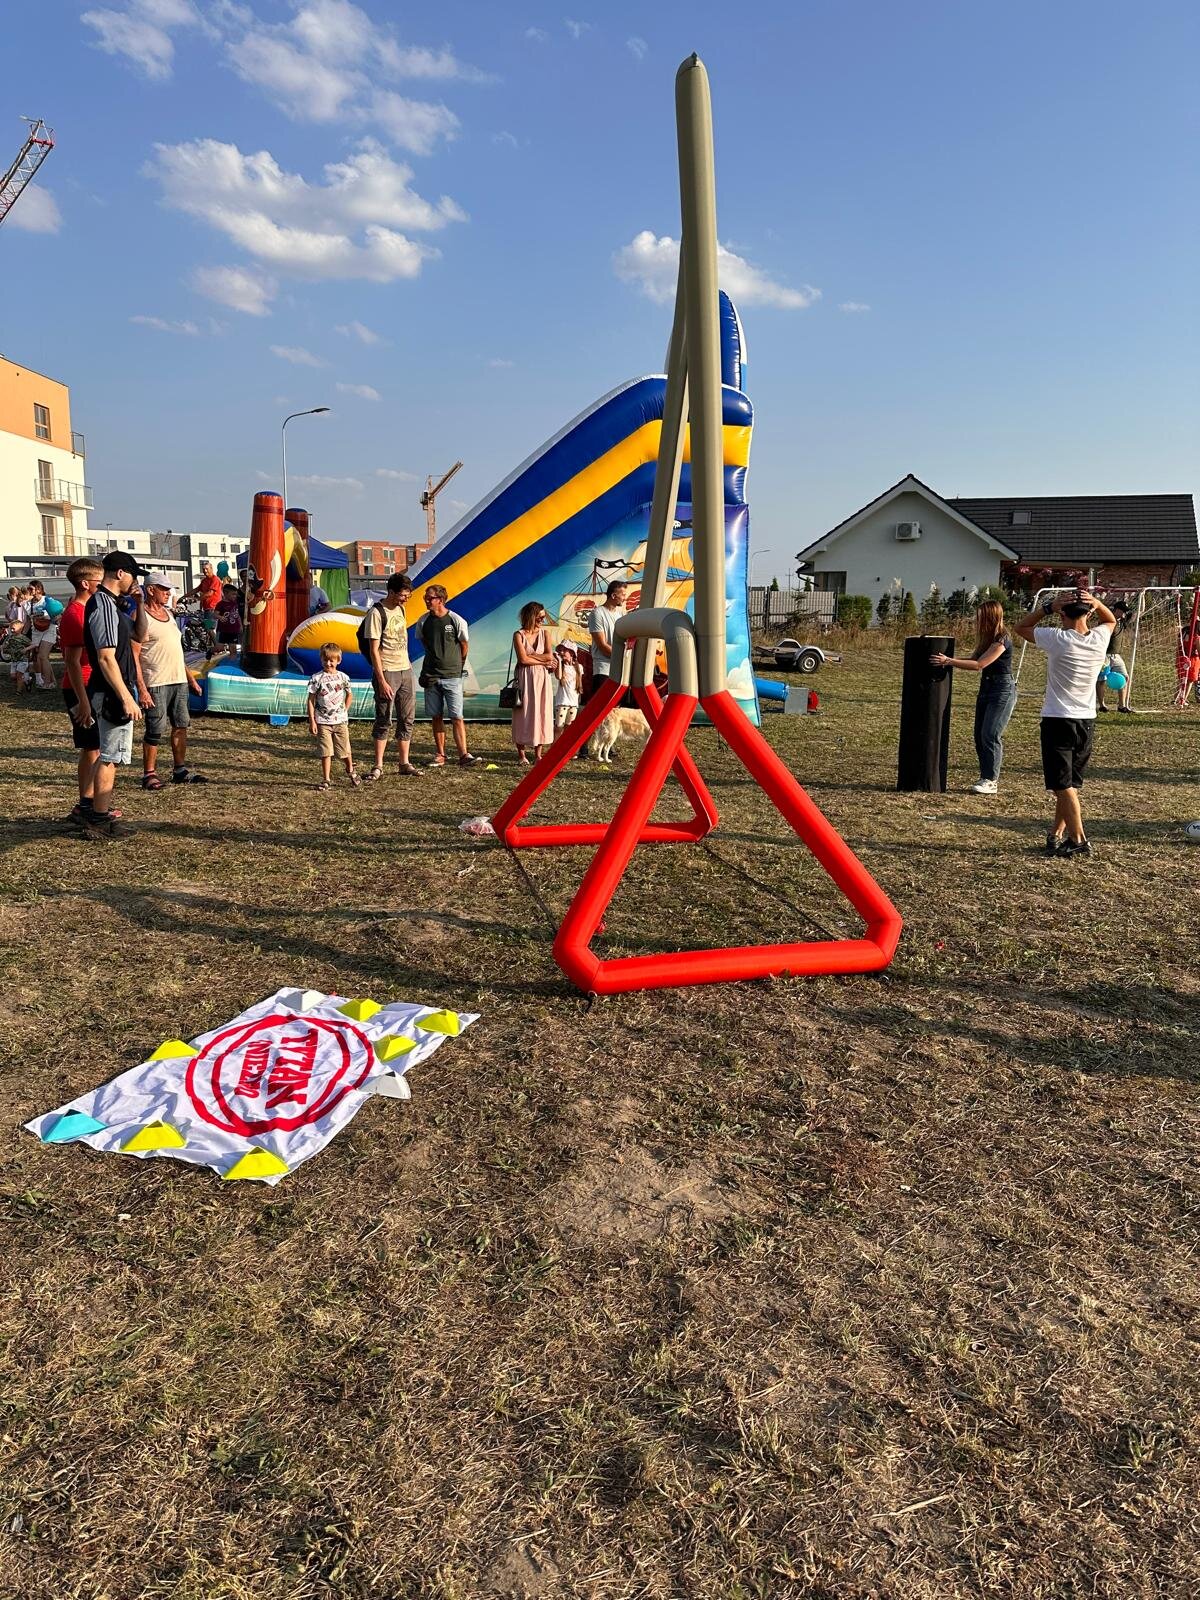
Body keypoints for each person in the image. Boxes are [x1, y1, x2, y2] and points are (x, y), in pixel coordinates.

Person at [1014, 588, 1117, 857]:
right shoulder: (1099, 638)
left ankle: (1078, 839)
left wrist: (1047, 608)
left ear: (1062, 614)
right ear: (1089, 613)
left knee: (1062, 785)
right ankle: (1056, 833)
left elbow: (1021, 627)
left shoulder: (1057, 639)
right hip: (1087, 721)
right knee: (1069, 784)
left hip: (1058, 720)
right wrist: (1097, 603)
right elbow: (1111, 620)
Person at [83, 552, 148, 838]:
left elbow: (139, 635)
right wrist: (126, 697)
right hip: (111, 691)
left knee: (107, 755)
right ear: (121, 573)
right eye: (133, 575)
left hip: (113, 689)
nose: (135, 581)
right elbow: (106, 658)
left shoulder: (113, 606)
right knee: (110, 757)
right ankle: (100, 819)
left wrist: (140, 604)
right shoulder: (103, 605)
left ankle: (93, 809)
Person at [930, 600, 1018, 795]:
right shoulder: (987, 639)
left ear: (991, 617)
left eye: (980, 617)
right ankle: (985, 776)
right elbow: (972, 660)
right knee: (979, 735)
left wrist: (949, 661)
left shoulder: (1002, 639)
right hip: (987, 688)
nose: (976, 620)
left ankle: (991, 780)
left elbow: (980, 665)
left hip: (1002, 690)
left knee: (990, 734)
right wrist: (949, 660)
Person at [136, 571, 206, 790]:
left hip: (178, 680)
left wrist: (190, 679)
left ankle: (179, 770)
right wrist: (142, 689)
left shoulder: (168, 614)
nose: (168, 593)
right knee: (155, 729)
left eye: (169, 590)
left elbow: (176, 650)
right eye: (164, 589)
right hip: (156, 681)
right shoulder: (140, 616)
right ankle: (149, 774)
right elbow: (134, 655)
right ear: (150, 590)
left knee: (181, 725)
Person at [58, 557, 107, 827]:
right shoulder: (75, 614)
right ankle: (85, 804)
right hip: (81, 687)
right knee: (91, 747)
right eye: (99, 581)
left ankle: (89, 801)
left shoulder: (88, 610)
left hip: (91, 685)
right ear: (86, 584)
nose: (103, 586)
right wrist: (83, 701)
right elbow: (72, 662)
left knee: (95, 746)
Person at [362, 573, 419, 779]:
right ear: (391, 592)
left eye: (408, 596)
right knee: (384, 718)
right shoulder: (376, 613)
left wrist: (408, 667)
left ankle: (404, 762)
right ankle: (378, 765)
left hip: (405, 669)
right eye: (403, 595)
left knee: (407, 718)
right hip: (387, 671)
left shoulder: (401, 609)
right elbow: (373, 650)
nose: (405, 599)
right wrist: (382, 680)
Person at [418, 585, 481, 767]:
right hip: (431, 676)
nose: (426, 600)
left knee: (457, 716)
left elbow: (464, 645)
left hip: (452, 676)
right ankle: (440, 755)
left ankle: (464, 755)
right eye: (425, 597)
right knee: (436, 716)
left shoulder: (456, 620)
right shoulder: (423, 621)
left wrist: (457, 665)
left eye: (430, 597)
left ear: (440, 599)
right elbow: (425, 643)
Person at [307, 641, 361, 790]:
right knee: (326, 751)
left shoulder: (343, 677)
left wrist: (345, 710)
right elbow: (311, 700)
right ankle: (326, 779)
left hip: (340, 721)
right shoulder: (316, 678)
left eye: (332, 660)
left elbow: (349, 694)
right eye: (325, 660)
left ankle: (350, 769)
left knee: (344, 750)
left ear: (338, 660)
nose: (328, 663)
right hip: (323, 721)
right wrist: (312, 720)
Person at [511, 601, 557, 764]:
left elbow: (550, 656)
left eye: (543, 617)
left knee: (541, 711)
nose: (543, 620)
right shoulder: (518, 635)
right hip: (524, 678)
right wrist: (542, 660)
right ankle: (522, 755)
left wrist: (532, 658)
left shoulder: (545, 634)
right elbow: (522, 660)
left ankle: (538, 754)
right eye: (540, 617)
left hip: (542, 679)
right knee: (522, 713)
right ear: (531, 617)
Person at [586, 580, 629, 701]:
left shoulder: (620, 616)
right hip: (603, 670)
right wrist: (625, 657)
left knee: (617, 709)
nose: (625, 598)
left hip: (619, 671)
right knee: (601, 708)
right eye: (623, 595)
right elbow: (603, 646)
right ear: (614, 596)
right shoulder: (597, 613)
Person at [28, 580, 65, 689]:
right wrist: (22, 635)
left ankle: (47, 683)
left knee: (43, 656)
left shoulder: (47, 600)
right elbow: (27, 621)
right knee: (42, 658)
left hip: (49, 630)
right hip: (36, 632)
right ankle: (52, 681)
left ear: (38, 589)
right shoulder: (29, 604)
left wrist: (54, 619)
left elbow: (61, 611)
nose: (29, 590)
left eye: (31, 589)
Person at [1096, 600, 1132, 712]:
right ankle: (1102, 705)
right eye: (1123, 611)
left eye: (1126, 611)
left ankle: (1122, 706)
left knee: (1125, 677)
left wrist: (1143, 594)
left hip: (1116, 656)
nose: (1125, 613)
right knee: (1101, 680)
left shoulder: (1122, 621)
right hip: (1104, 656)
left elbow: (1140, 612)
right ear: (1116, 610)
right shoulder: (1106, 621)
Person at [184, 560, 222, 650]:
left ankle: (217, 646)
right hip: (207, 608)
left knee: (209, 628)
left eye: (207, 569)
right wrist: (184, 596)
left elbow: (210, 593)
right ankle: (211, 645)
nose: (205, 571)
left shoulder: (215, 579)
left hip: (213, 607)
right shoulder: (204, 581)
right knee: (207, 627)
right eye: (203, 569)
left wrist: (195, 599)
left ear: (211, 569)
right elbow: (196, 589)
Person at [554, 641, 582, 731]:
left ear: (572, 653)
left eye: (564, 650)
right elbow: (559, 677)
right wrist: (559, 660)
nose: (561, 652)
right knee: (559, 727)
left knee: (569, 729)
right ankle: (557, 741)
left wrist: (578, 699)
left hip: (574, 703)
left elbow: (579, 684)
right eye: (560, 650)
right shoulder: (561, 666)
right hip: (562, 702)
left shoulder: (579, 667)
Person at [214, 582, 242, 658]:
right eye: (233, 594)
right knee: (219, 648)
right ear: (226, 593)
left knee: (233, 649)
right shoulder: (220, 604)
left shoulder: (235, 603)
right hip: (223, 630)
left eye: (235, 594)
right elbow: (215, 614)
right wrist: (220, 617)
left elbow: (237, 615)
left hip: (233, 630)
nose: (235, 596)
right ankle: (211, 651)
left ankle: (232, 662)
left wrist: (240, 626)